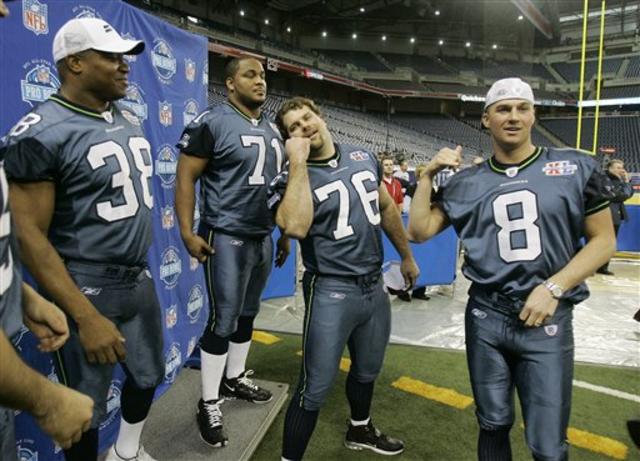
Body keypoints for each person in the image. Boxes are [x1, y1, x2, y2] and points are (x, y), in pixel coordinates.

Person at [408, 78, 616, 461]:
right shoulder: (465, 182)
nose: (514, 116)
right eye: (503, 109)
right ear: (486, 119)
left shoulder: (573, 167)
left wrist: (554, 287)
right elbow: (418, 231)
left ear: (534, 115)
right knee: (492, 423)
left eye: (522, 108)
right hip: (486, 315)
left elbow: (604, 241)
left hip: (547, 320)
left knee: (547, 444)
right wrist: (425, 176)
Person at [2, 17, 165, 461]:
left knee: (148, 376)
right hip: (87, 284)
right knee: (85, 409)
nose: (123, 66)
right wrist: (85, 315)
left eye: (124, 57)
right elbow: (28, 235)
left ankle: (127, 452)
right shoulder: (41, 131)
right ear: (74, 62)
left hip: (139, 278)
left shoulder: (124, 115)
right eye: (110, 56)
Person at [271, 97, 419, 460]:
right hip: (331, 289)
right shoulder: (290, 176)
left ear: (320, 116)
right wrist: (298, 163)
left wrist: (406, 255)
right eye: (294, 126)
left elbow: (385, 207)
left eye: (307, 117)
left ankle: (360, 429)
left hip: (374, 285)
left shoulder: (362, 156)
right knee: (314, 387)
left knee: (368, 369)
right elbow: (294, 225)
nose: (304, 126)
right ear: (288, 139)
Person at [175, 56, 289, 448]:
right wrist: (188, 231)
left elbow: (279, 187)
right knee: (223, 320)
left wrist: (285, 234)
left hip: (262, 235)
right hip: (225, 234)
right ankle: (208, 402)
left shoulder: (273, 129)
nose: (260, 82)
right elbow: (185, 177)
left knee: (247, 313)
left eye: (263, 76)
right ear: (229, 84)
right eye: (250, 75)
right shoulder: (212, 122)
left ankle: (234, 376)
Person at [597, 159, 633, 275]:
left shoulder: (619, 181)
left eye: (622, 168)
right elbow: (622, 195)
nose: (621, 170)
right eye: (618, 167)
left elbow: (628, 194)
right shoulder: (604, 179)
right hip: (605, 214)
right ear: (610, 168)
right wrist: (626, 184)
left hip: (614, 215)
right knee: (599, 242)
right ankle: (594, 266)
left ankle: (603, 267)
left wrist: (626, 182)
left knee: (610, 243)